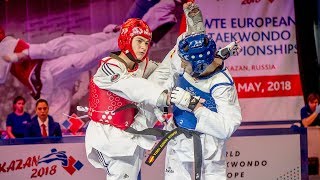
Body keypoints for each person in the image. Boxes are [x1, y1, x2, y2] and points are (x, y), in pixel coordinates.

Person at [0, 0, 180, 126]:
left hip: (49, 74)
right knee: (56, 118)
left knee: (96, 50)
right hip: (50, 80)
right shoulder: (64, 44)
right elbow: (48, 51)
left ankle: (155, 19)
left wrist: (22, 54)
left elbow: (48, 51)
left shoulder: (67, 43)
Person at [147, 2, 242, 179]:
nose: (180, 63)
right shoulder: (186, 61)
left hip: (208, 147)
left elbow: (227, 128)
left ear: (199, 65)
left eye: (185, 62)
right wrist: (160, 102)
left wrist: (195, 106)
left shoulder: (221, 84)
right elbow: (170, 77)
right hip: (179, 137)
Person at [85, 18, 176, 180]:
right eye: (139, 41)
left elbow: (164, 72)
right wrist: (162, 97)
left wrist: (182, 48)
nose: (143, 47)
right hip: (110, 137)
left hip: (131, 134)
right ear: (127, 40)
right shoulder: (108, 67)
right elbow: (131, 86)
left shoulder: (143, 65)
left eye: (147, 43)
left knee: (166, 70)